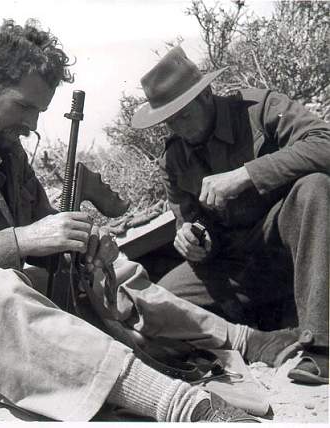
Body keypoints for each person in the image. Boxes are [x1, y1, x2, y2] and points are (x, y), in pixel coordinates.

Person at [0, 19, 296, 422]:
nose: (32, 126)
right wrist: (22, 240)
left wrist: (83, 246)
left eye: (40, 112)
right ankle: (178, 403)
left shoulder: (6, 147)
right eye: (24, 107)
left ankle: (238, 338)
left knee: (112, 267)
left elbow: (43, 229)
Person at [131, 45, 330, 385]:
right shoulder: (174, 159)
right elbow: (188, 220)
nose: (178, 127)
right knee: (157, 305)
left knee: (315, 186)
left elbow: (324, 143)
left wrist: (247, 174)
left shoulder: (259, 108)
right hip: (236, 266)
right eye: (169, 121)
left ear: (206, 95)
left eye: (183, 115)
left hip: (292, 246)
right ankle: (263, 338)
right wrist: (193, 240)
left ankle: (322, 348)